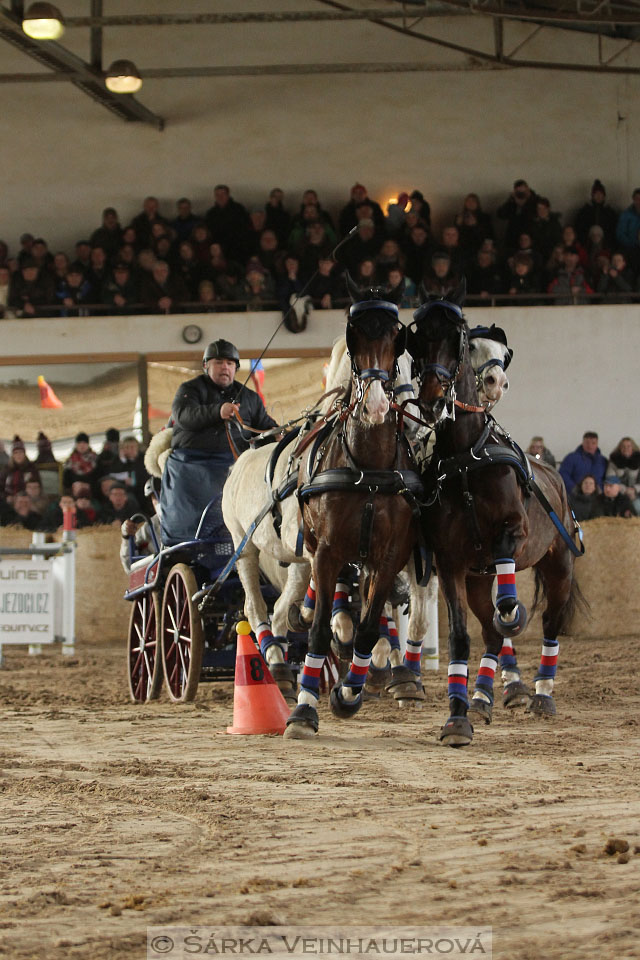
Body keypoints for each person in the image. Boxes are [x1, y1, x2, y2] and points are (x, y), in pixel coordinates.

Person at [163, 339, 278, 545]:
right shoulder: (190, 389)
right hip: (192, 464)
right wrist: (218, 411)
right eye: (218, 362)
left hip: (236, 465)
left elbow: (265, 426)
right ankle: (189, 540)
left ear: (235, 368)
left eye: (230, 363)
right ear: (206, 365)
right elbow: (184, 415)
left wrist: (277, 433)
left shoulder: (250, 398)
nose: (225, 367)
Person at [120, 476, 162, 574]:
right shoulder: (149, 528)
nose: (160, 501)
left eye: (163, 495)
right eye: (155, 497)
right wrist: (126, 537)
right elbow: (130, 566)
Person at [496, 179, 540, 253]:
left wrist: (524, 205)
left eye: (523, 192)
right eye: (518, 192)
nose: (521, 194)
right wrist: (511, 200)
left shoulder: (537, 201)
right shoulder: (513, 201)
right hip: (513, 239)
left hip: (529, 238)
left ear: (528, 189)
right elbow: (500, 215)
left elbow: (535, 216)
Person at [574, 180, 618, 250]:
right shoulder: (584, 212)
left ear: (604, 196)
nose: (598, 196)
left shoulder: (610, 213)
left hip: (606, 246)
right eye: (596, 194)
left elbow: (613, 230)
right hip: (587, 245)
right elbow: (579, 228)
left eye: (601, 194)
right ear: (592, 196)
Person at [608, 436, 640, 515]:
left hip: (636, 495)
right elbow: (610, 479)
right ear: (619, 448)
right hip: (618, 495)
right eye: (623, 446)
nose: (626, 448)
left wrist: (634, 490)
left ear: (633, 447)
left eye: (628, 446)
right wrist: (624, 490)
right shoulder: (613, 462)